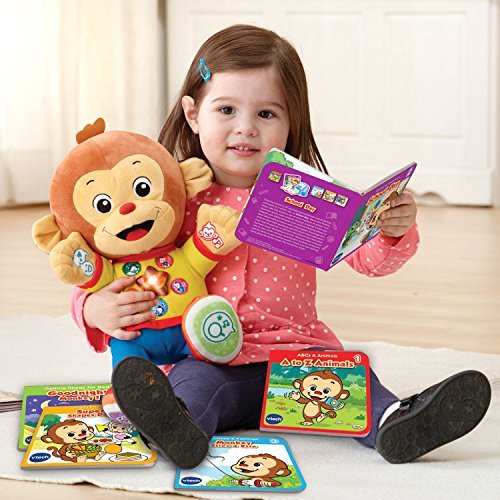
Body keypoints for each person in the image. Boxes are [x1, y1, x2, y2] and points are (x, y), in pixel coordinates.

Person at [70, 25, 491, 469]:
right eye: (226, 110)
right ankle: (176, 427)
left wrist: (389, 231)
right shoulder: (171, 202)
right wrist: (92, 309)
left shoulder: (306, 199)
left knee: (354, 381)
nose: (246, 128)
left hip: (298, 355)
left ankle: (397, 422)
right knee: (193, 390)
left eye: (267, 114)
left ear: (292, 122)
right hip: (207, 357)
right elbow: (108, 267)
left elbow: (368, 261)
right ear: (193, 114)